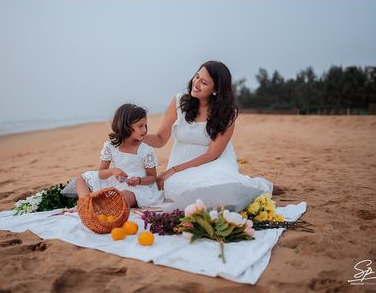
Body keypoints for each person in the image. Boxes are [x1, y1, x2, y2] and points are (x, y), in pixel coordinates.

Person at [143, 61, 272, 205]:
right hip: (182, 162)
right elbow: (160, 139)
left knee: (215, 188)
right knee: (175, 188)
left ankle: (258, 186)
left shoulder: (227, 112)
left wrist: (173, 170)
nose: (196, 83)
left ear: (215, 89)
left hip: (214, 162)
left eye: (203, 82)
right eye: (197, 77)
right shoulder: (179, 101)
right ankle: (241, 185)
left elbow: (212, 154)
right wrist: (136, 135)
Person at [75, 103, 163, 208]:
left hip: (137, 187)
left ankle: (100, 205)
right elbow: (101, 174)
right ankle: (85, 205)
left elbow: (152, 177)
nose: (144, 130)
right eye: (140, 126)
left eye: (145, 125)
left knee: (121, 199)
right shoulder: (110, 146)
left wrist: (138, 180)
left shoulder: (146, 150)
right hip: (115, 182)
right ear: (125, 126)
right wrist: (113, 170)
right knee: (81, 179)